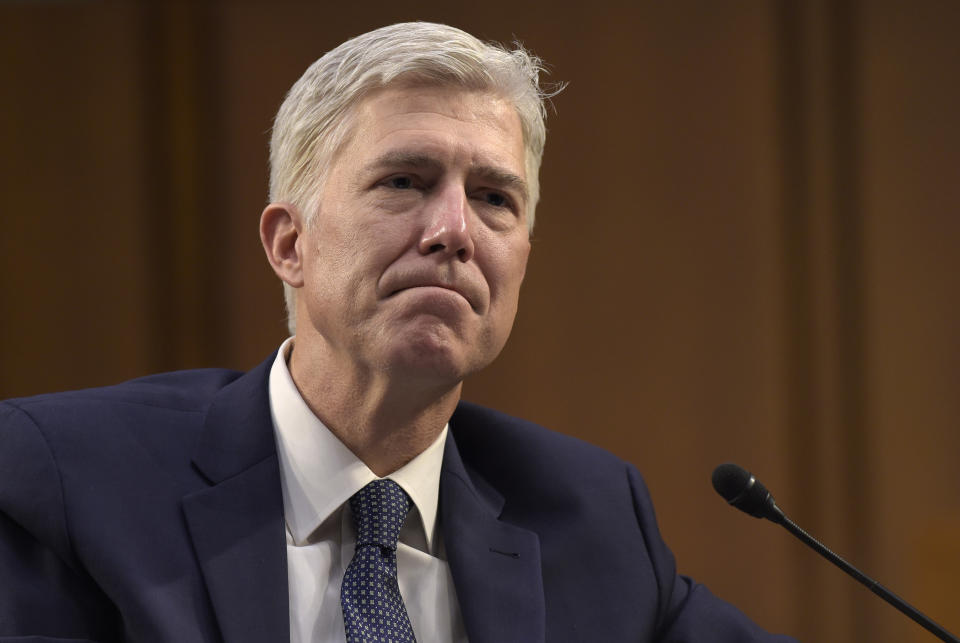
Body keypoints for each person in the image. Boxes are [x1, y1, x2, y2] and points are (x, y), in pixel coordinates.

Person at [0, 22, 797, 643]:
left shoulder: (589, 519)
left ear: (521, 259)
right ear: (290, 244)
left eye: (493, 198)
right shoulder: (75, 481)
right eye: (404, 181)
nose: (453, 230)